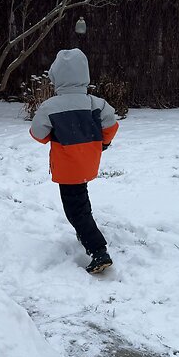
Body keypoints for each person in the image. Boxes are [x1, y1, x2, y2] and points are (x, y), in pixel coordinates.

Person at [29, 48, 119, 274]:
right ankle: (83, 231)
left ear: (57, 77)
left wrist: (55, 135)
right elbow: (111, 126)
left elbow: (38, 133)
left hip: (67, 166)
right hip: (88, 162)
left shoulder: (51, 106)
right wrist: (102, 144)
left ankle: (98, 250)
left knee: (74, 209)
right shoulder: (96, 103)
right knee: (81, 198)